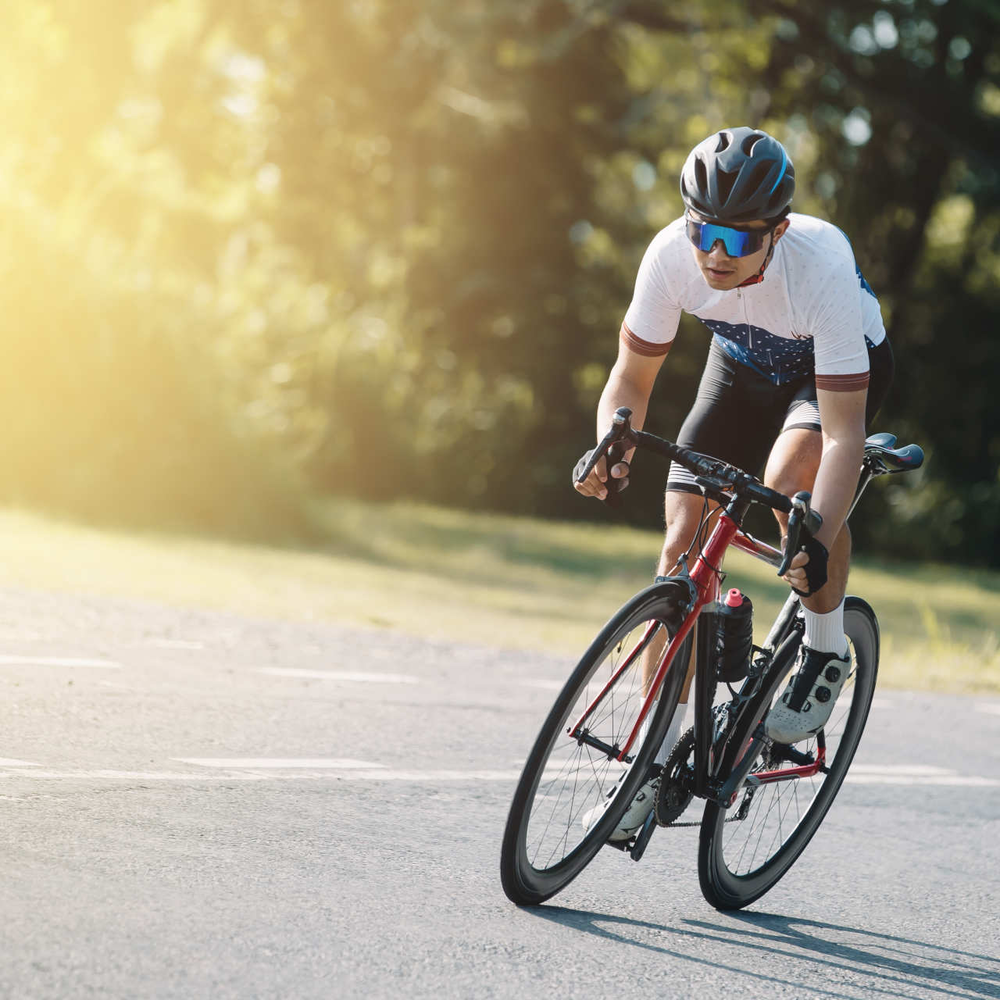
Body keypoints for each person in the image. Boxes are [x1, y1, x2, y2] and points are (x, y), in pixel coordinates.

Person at [575, 126, 893, 842]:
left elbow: (842, 433)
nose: (716, 253)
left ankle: (822, 647)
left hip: (826, 376)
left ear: (777, 233)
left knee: (790, 499)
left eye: (739, 238)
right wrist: (610, 438)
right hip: (741, 367)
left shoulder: (822, 268)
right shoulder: (670, 257)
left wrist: (814, 525)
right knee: (681, 543)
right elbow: (630, 379)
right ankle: (648, 769)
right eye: (704, 231)